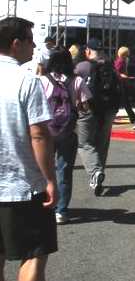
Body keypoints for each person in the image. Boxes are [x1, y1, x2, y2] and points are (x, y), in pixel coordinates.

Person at [0, 17, 57, 281]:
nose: (34, 46)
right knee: (33, 254)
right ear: (15, 44)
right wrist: (49, 179)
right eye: (29, 40)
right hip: (21, 185)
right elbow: (39, 134)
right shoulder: (27, 81)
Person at [40, 48, 92, 225]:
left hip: (46, 131)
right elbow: (86, 107)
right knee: (65, 170)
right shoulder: (77, 80)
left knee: (44, 168)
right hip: (68, 131)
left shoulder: (43, 81)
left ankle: (43, 205)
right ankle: (61, 211)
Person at [74, 38, 120, 196]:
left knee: (85, 143)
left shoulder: (82, 67)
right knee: (102, 143)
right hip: (108, 110)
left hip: (89, 109)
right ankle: (98, 175)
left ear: (87, 51)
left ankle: (95, 172)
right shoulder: (110, 66)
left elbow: (72, 85)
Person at [114, 46, 135, 123]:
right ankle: (132, 117)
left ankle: (132, 116)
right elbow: (116, 71)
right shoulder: (120, 61)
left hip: (122, 82)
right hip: (121, 83)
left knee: (123, 101)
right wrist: (122, 75)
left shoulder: (123, 60)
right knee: (125, 101)